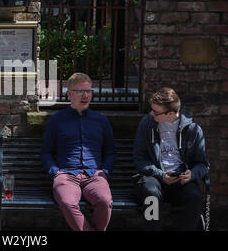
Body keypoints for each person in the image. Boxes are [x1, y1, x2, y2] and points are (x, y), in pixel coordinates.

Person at [41, 72, 116, 231]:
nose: (85, 95)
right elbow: (46, 152)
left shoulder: (101, 121)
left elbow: (110, 152)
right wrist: (55, 172)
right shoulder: (56, 120)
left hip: (94, 175)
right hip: (66, 175)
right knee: (68, 203)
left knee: (104, 201)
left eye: (88, 91)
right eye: (80, 91)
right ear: (69, 94)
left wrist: (105, 172)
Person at [133, 87, 209, 231]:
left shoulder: (192, 129)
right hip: (154, 177)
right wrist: (160, 174)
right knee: (151, 196)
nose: (151, 113)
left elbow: (203, 163)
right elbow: (139, 159)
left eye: (156, 112)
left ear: (172, 113)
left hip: (181, 179)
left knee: (195, 197)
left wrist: (192, 174)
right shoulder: (147, 123)